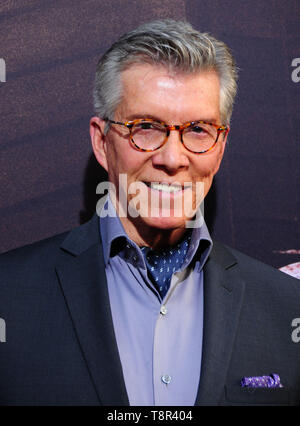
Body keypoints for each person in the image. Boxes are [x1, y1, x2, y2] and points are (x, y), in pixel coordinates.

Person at [0, 19, 300, 407]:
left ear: (220, 147)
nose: (173, 159)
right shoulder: (9, 296)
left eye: (197, 129)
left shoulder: (287, 309)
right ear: (102, 141)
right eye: (146, 127)